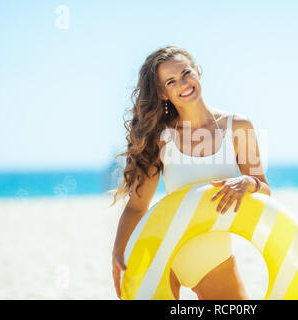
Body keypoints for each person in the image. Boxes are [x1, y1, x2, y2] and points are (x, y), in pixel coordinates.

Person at [110, 45, 271, 300]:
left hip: (214, 258)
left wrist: (248, 182)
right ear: (163, 93)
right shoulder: (160, 138)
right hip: (163, 255)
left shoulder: (239, 128)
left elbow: (264, 188)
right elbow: (137, 206)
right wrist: (118, 252)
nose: (183, 84)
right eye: (171, 81)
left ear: (198, 71)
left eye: (186, 73)